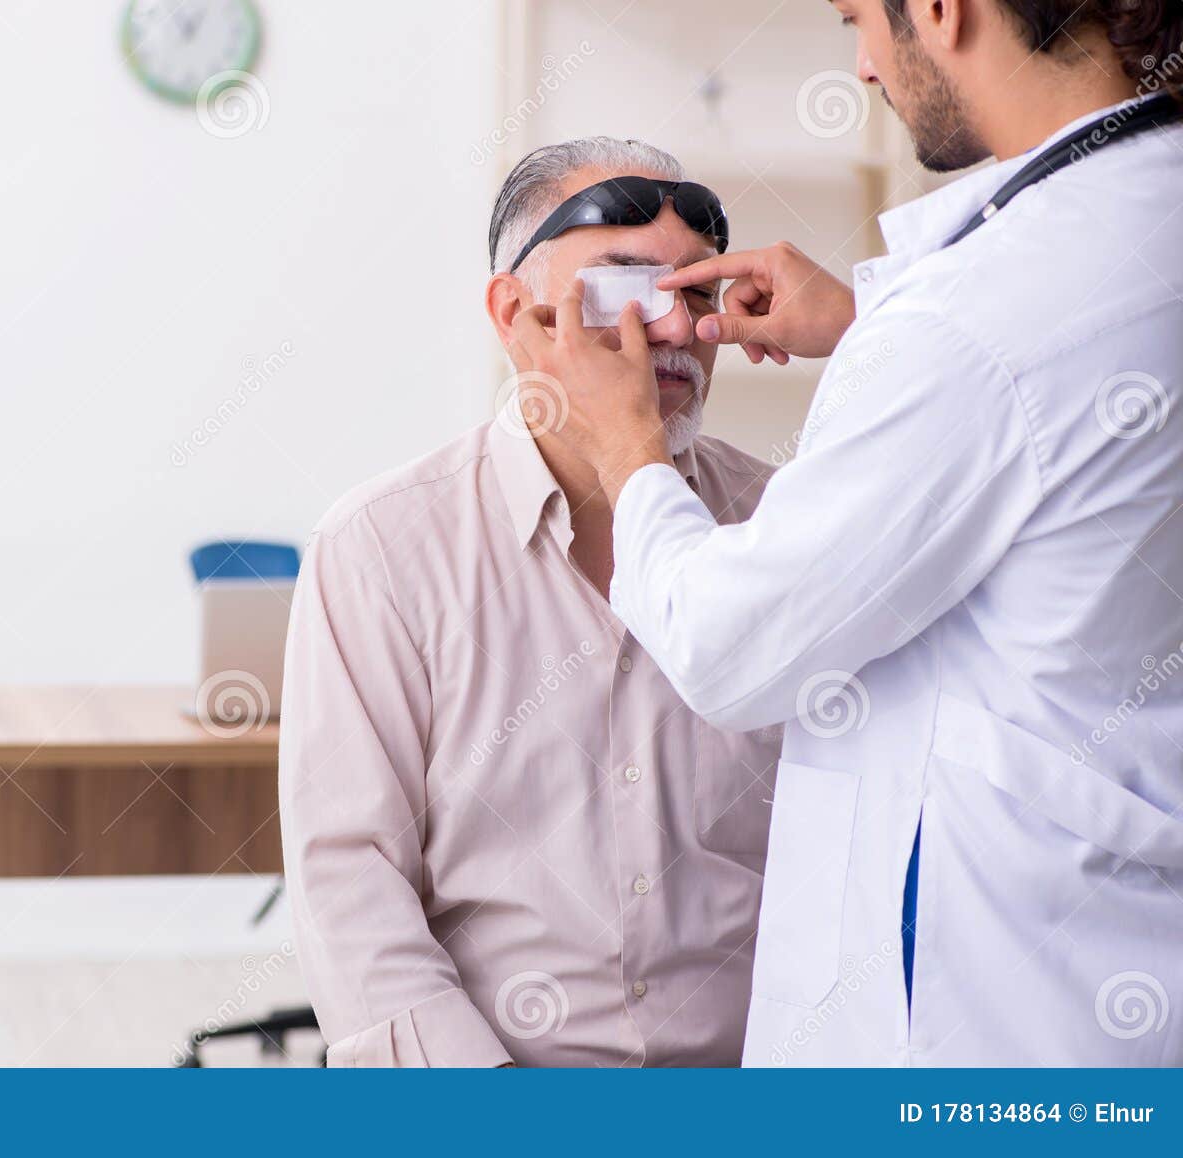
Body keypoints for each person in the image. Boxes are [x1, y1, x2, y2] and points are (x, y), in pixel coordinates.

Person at [506, 0, 1183, 1065]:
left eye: (857, 20)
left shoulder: (974, 322)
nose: (863, 67)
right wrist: (878, 322)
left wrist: (626, 442)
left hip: (995, 1020)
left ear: (941, 11)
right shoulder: (1129, 221)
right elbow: (1060, 396)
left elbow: (727, 646)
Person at [279, 138, 781, 1067]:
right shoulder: (383, 549)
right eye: (624, 292)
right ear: (514, 313)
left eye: (698, 295)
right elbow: (350, 881)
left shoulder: (781, 527)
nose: (669, 331)